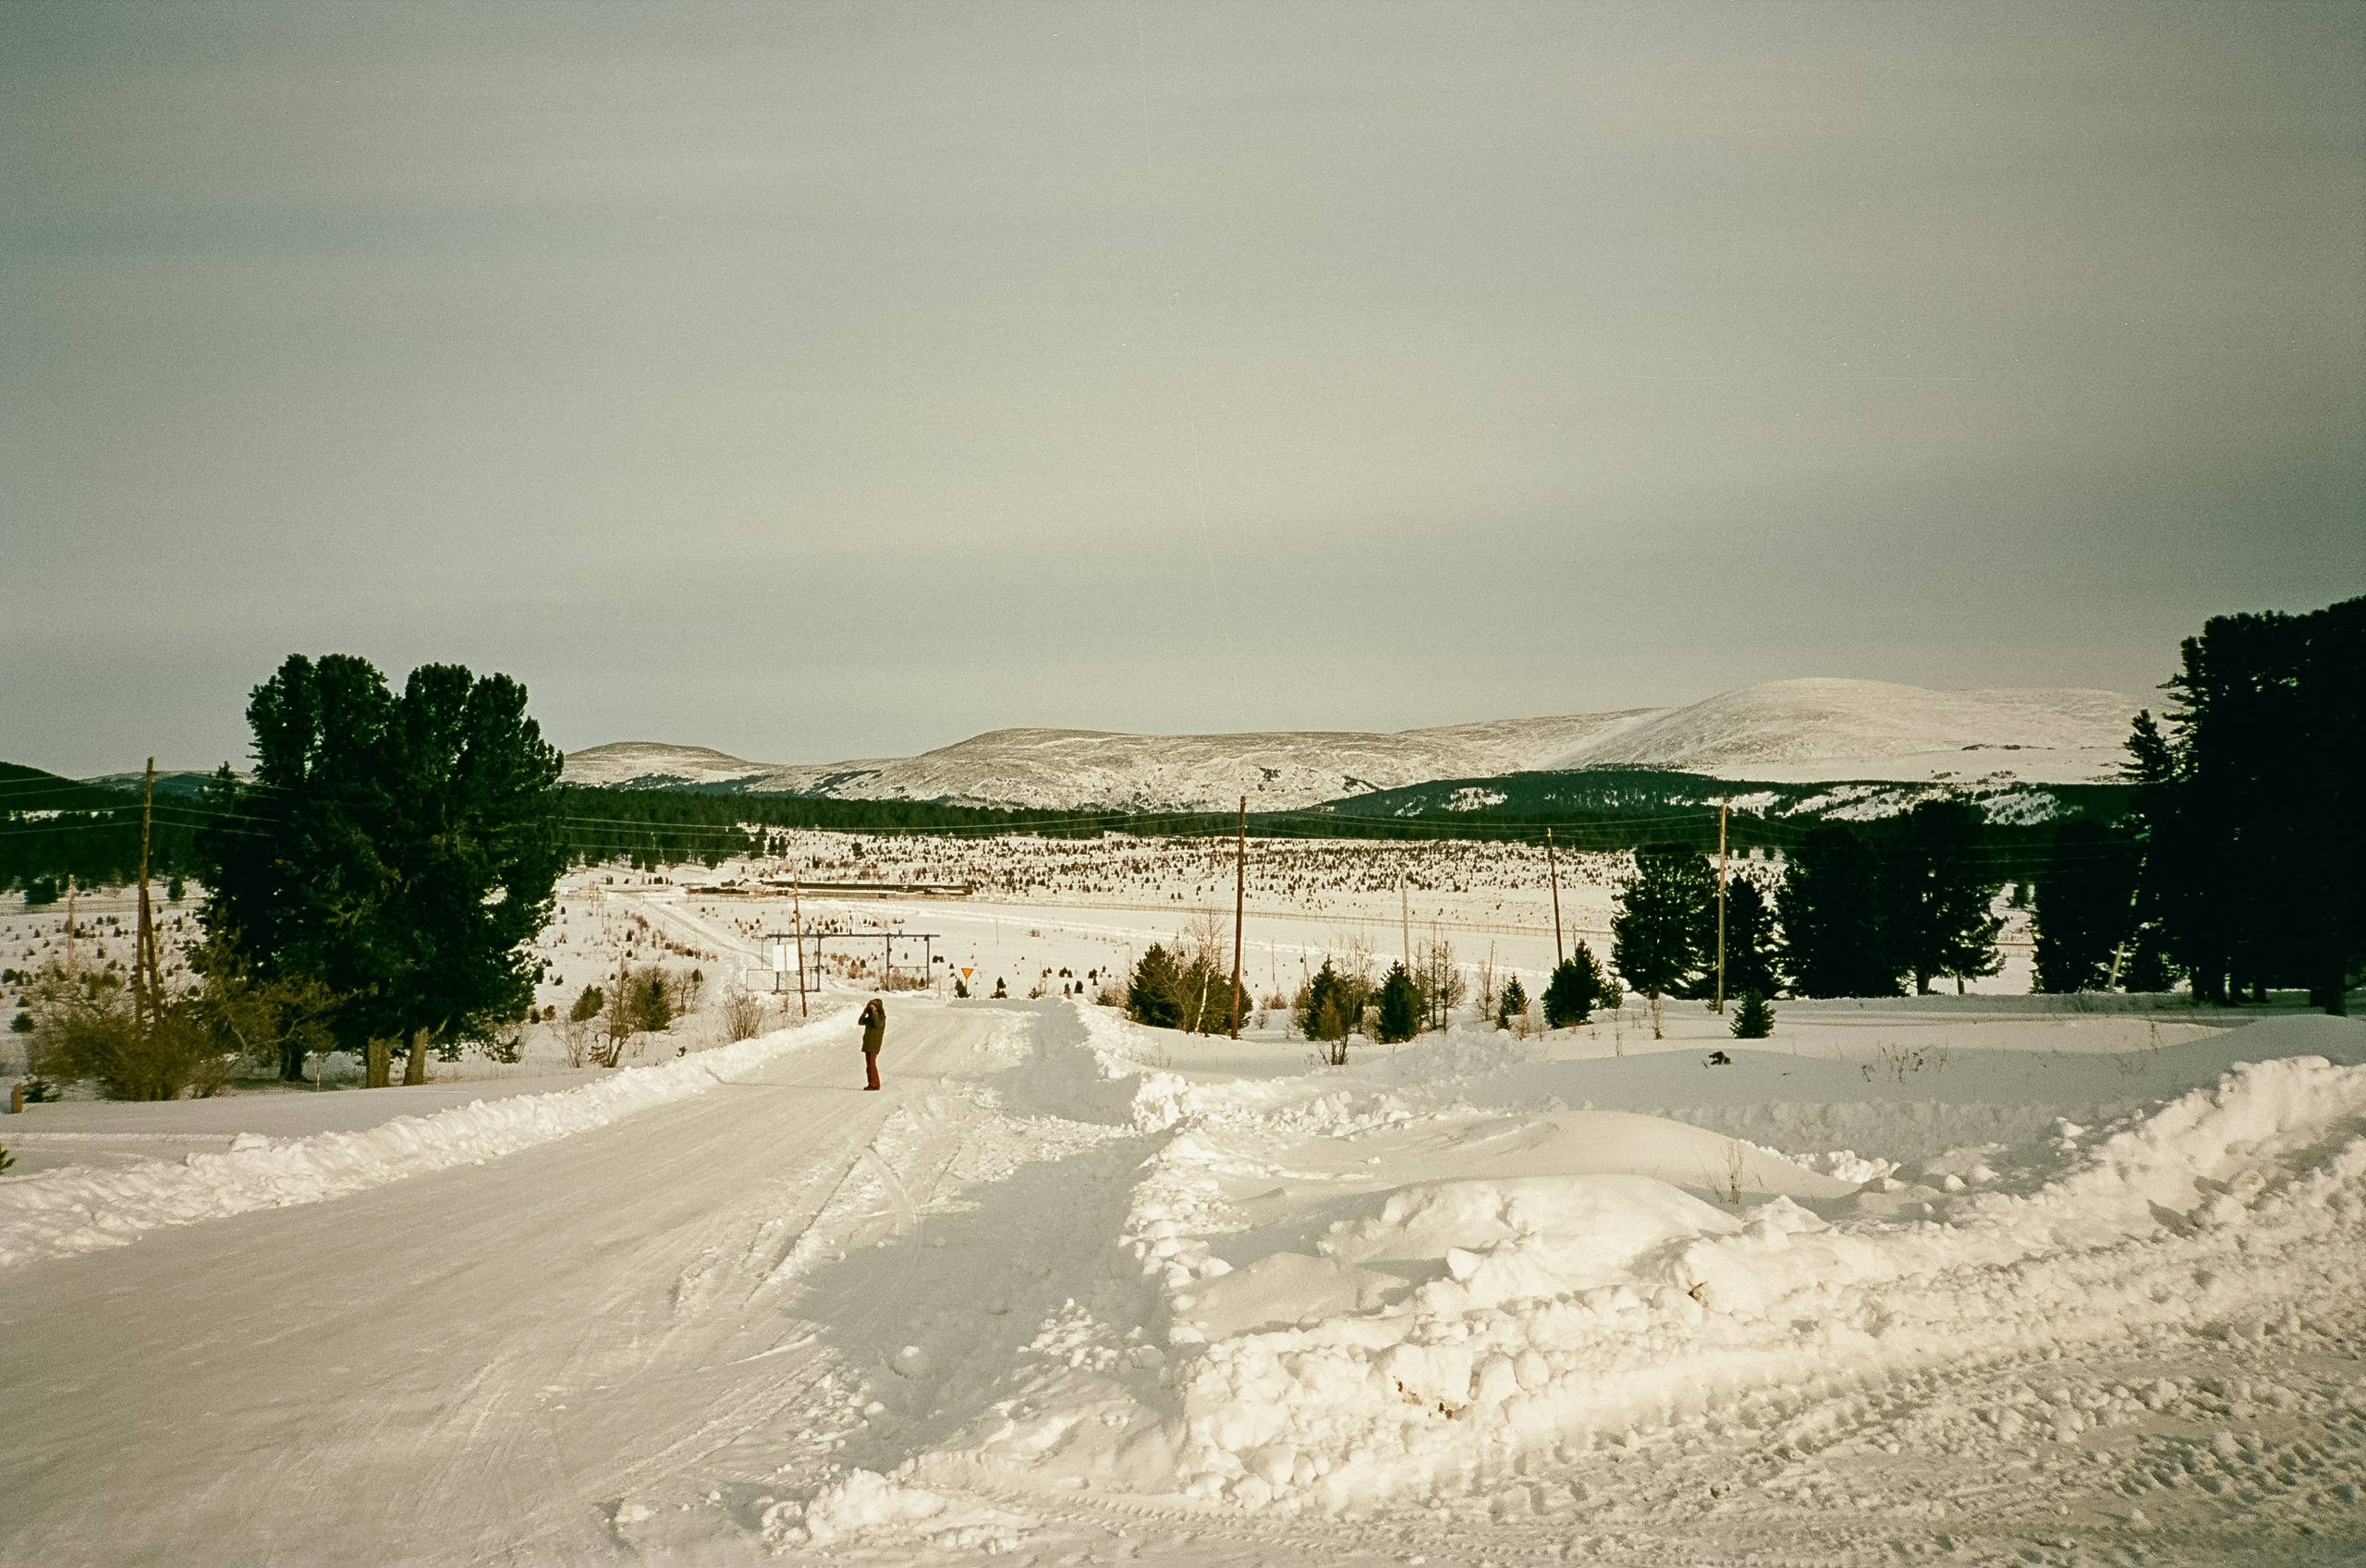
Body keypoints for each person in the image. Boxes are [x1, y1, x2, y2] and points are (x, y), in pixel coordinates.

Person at [858, 996, 885, 1090]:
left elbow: (876, 1024)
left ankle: (875, 1084)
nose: (872, 1008)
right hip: (868, 1042)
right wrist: (865, 1012)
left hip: (875, 1043)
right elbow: (860, 1022)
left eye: (874, 1006)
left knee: (872, 1063)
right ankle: (871, 1083)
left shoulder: (881, 1017)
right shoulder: (870, 1018)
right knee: (868, 1064)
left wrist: (874, 1013)